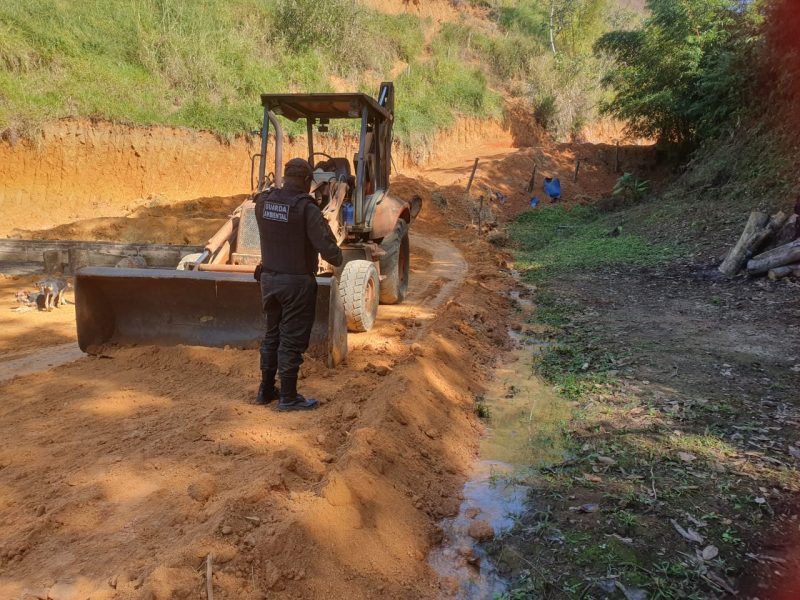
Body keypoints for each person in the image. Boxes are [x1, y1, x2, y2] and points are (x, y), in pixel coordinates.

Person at [254, 158, 343, 411]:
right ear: (306, 181)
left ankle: (266, 390)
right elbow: (326, 247)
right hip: (296, 283)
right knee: (291, 340)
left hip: (268, 280)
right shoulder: (306, 208)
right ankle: (289, 397)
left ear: (284, 177)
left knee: (272, 335)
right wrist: (338, 257)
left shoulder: (263, 202)